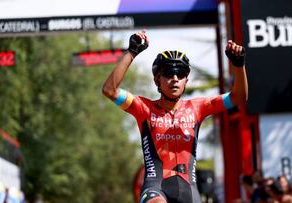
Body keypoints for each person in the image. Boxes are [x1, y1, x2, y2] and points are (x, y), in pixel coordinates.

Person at [102, 30, 248, 203]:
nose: (175, 79)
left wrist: (239, 65)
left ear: (186, 80)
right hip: (155, 188)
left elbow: (238, 97)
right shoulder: (144, 108)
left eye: (180, 74)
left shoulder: (198, 108)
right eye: (168, 74)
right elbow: (110, 90)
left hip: (189, 191)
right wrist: (131, 52)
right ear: (157, 80)